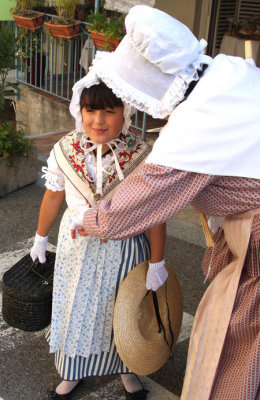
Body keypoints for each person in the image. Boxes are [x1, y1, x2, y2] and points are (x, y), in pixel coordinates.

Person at [74, 5, 260, 400]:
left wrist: (90, 220)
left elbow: (142, 196)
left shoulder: (197, 122)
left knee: (238, 347)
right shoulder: (229, 74)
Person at [30, 73, 167, 399]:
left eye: (109, 111)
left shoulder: (141, 154)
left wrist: (158, 262)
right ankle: (72, 372)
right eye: (91, 110)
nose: (98, 120)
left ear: (125, 112)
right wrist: (39, 237)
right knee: (76, 307)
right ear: (80, 111)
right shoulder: (65, 149)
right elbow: (53, 196)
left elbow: (155, 215)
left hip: (126, 250)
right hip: (77, 248)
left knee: (122, 310)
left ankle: (126, 367)